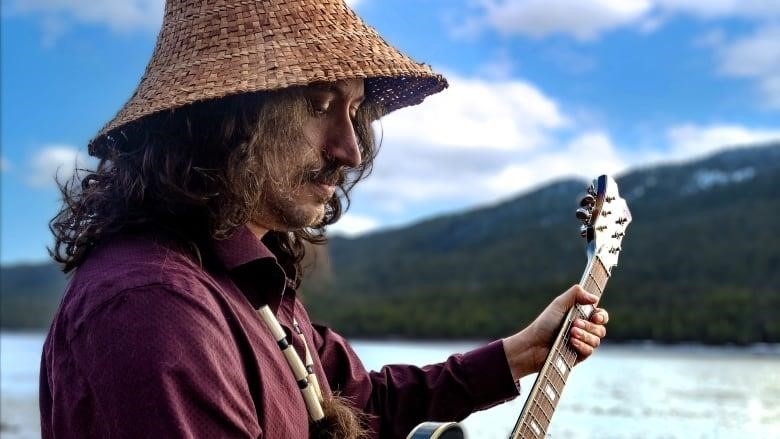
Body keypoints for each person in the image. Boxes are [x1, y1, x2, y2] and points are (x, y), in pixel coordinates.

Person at [40, 0, 609, 438]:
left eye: (355, 110)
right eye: (318, 105)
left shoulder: (245, 281)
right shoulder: (155, 306)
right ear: (223, 118)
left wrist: (522, 353)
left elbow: (359, 408)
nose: (350, 149)